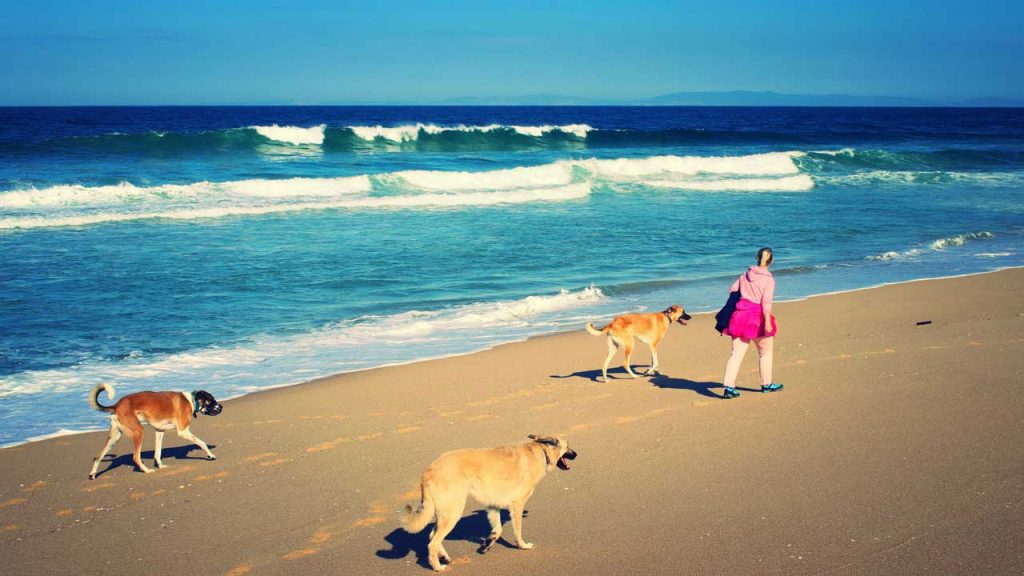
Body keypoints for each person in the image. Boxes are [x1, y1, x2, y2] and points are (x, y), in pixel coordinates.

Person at [721, 247, 783, 399]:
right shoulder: (768, 279)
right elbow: (766, 302)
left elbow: (732, 289)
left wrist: (745, 293)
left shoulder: (745, 274)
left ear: (757, 258)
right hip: (757, 318)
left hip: (739, 316)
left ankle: (729, 388)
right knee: (765, 353)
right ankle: (766, 384)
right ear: (772, 260)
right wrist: (768, 322)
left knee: (736, 355)